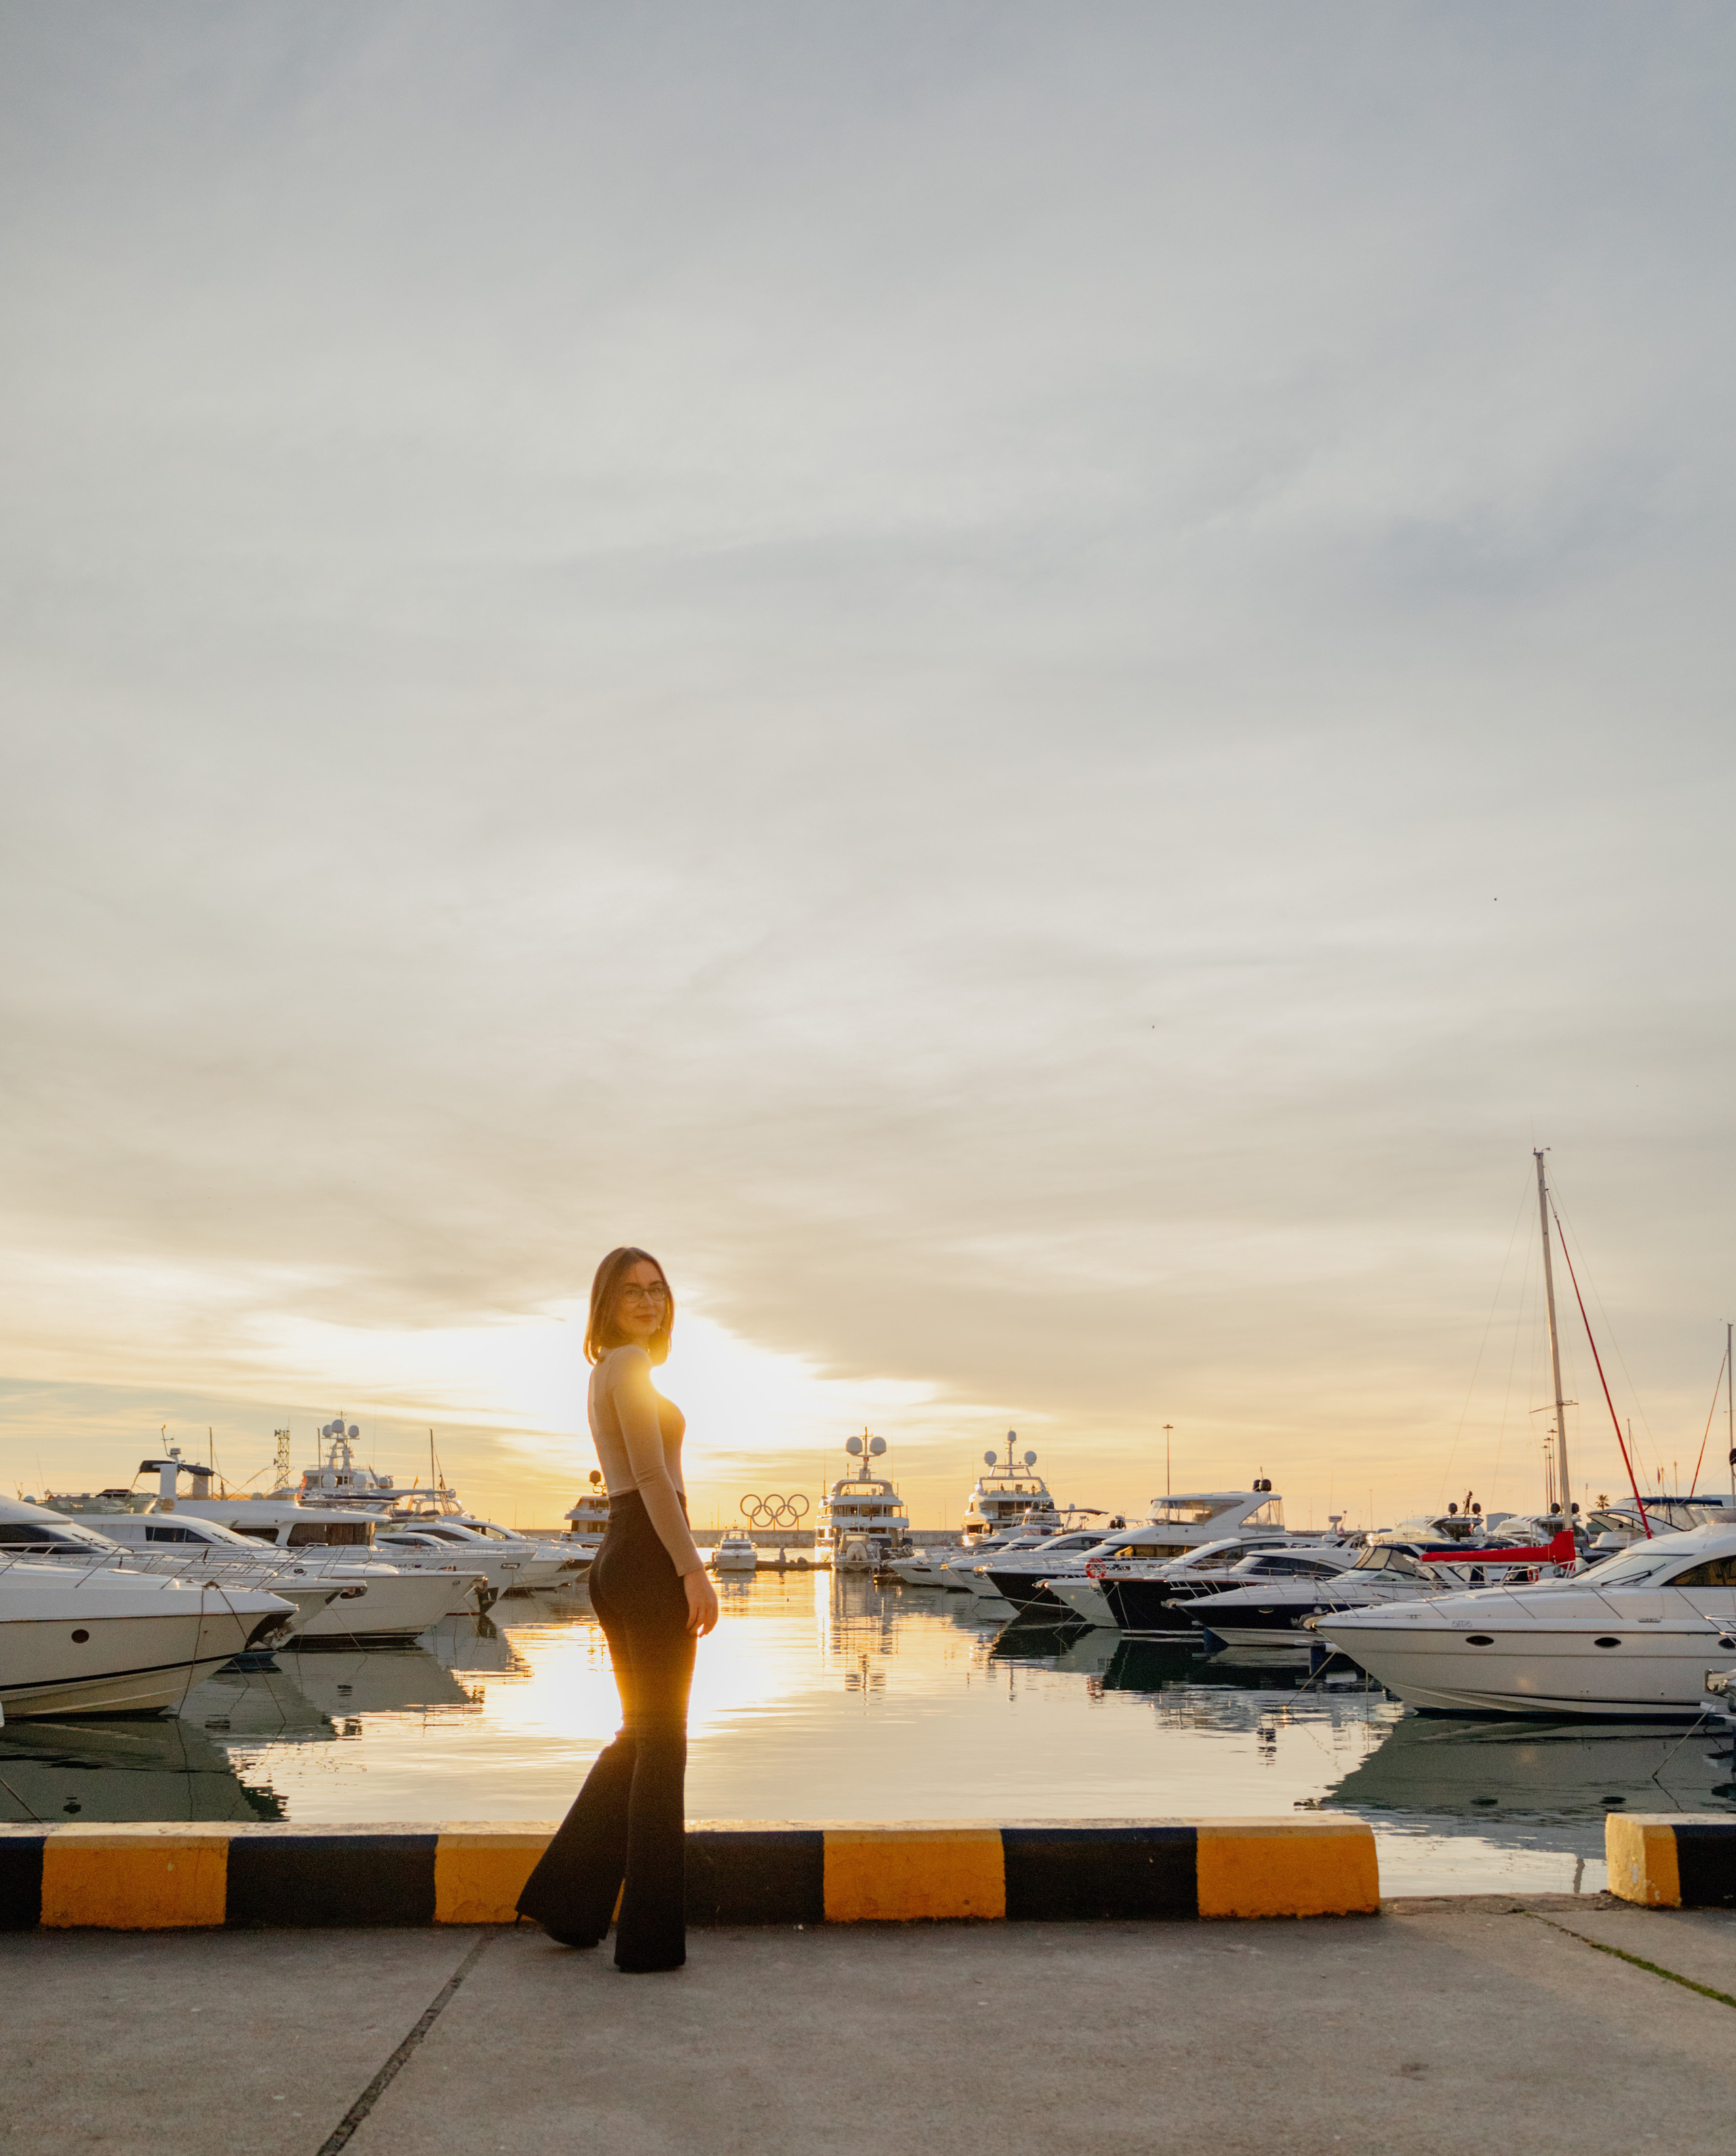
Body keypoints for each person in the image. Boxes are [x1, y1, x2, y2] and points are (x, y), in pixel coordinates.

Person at [517, 1246, 719, 1972]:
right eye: (632, 1289)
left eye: (657, 1288)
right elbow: (654, 1478)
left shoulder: (610, 1370)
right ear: (605, 1304)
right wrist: (691, 1566)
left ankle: (569, 1900)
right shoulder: (627, 1367)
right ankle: (649, 1942)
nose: (648, 1299)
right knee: (664, 1745)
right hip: (644, 1553)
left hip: (620, 1552)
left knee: (641, 1737)